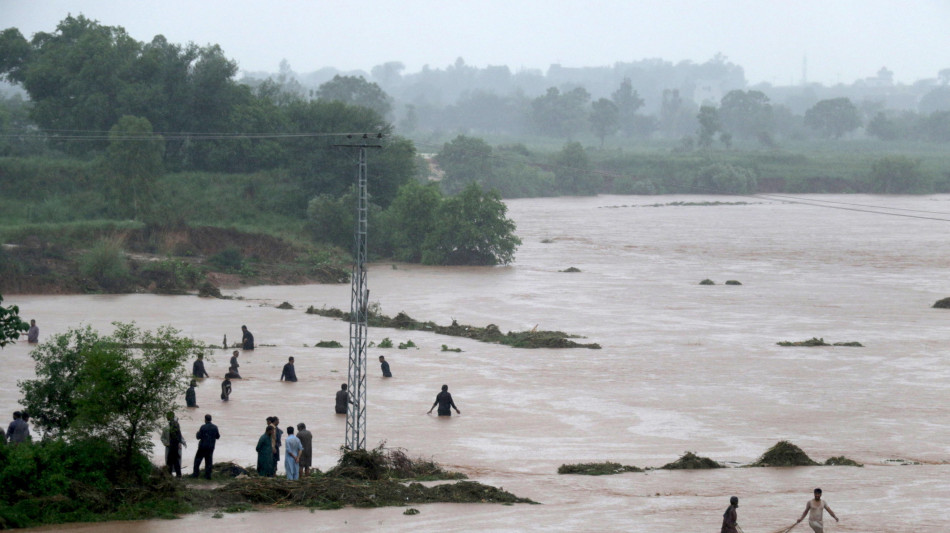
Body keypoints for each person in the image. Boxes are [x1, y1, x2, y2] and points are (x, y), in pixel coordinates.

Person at [192, 414, 220, 479]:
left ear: (205, 419)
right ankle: (208, 475)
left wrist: (197, 433)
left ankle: (195, 474)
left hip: (202, 446)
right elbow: (218, 437)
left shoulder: (203, 427)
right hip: (211, 447)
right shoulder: (215, 427)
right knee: (209, 461)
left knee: (197, 460)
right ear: (211, 419)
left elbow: (198, 437)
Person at [161, 411, 185, 478]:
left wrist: (169, 444)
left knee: (170, 461)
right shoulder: (175, 424)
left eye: (167, 416)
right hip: (174, 445)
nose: (166, 417)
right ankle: (177, 475)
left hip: (172, 446)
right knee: (174, 460)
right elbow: (179, 435)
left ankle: (171, 475)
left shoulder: (172, 425)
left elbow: (177, 435)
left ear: (169, 417)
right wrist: (180, 443)